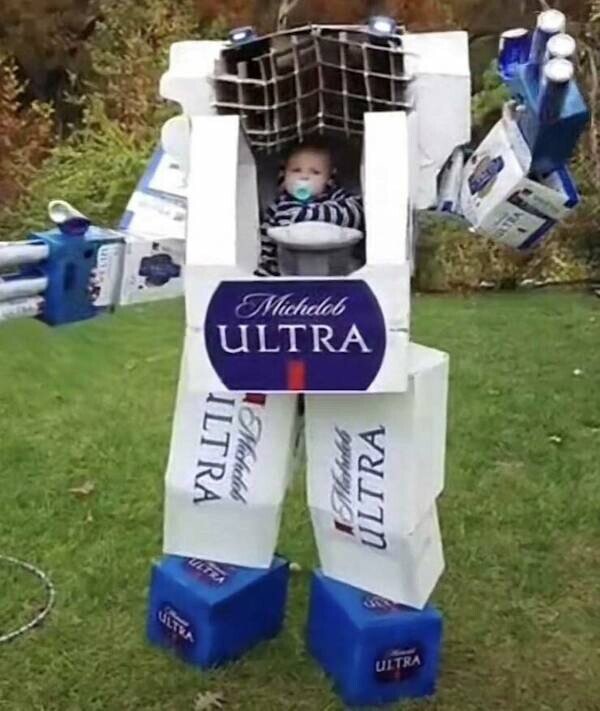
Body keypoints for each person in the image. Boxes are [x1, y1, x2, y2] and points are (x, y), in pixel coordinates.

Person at [255, 141, 364, 276]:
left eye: (315, 172)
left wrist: (307, 214)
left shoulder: (336, 197)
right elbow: (268, 248)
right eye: (296, 170)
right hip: (292, 269)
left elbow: (356, 212)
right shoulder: (278, 206)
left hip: (336, 268)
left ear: (329, 179)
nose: (304, 177)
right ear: (284, 175)